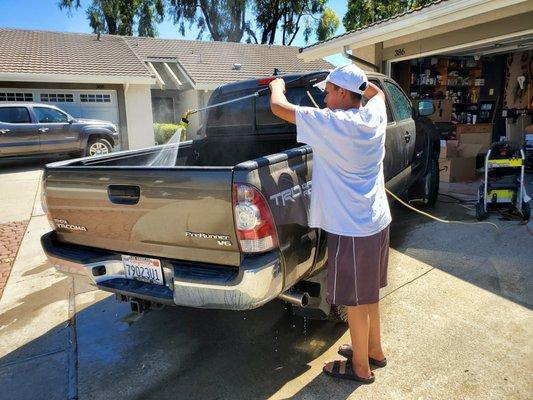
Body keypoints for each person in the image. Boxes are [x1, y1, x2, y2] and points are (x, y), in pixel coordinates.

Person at [269, 64, 391, 384]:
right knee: (369, 295)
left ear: (341, 92)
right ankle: (374, 350)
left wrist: (277, 84)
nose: (324, 95)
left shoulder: (334, 124)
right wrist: (352, 76)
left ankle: (361, 368)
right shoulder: (374, 114)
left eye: (328, 89)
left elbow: (278, 107)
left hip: (353, 229)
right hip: (376, 221)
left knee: (353, 300)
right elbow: (375, 92)